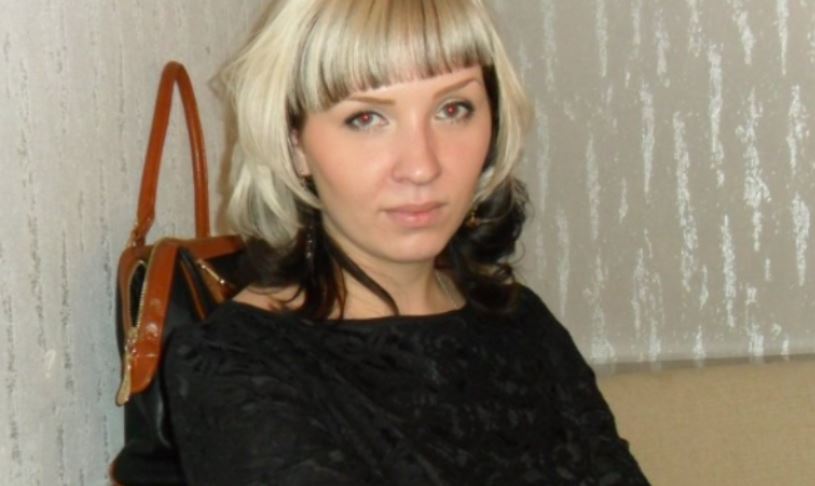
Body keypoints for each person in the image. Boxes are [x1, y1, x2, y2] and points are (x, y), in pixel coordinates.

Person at [163, 0, 650, 484]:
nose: (421, 166)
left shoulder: (524, 323)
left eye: (453, 109)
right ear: (294, 143)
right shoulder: (235, 363)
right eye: (366, 118)